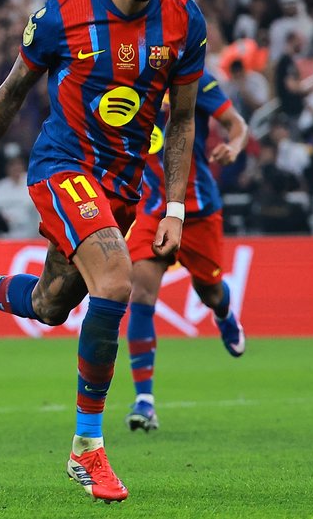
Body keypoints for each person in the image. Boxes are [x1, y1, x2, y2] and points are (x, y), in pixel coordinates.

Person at [0, 0, 206, 502]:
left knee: (51, 304)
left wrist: (175, 208)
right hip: (63, 168)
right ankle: (87, 448)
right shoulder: (62, 14)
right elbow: (10, 94)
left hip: (122, 187)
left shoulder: (184, 19)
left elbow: (182, 121)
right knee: (117, 280)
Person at [123, 70, 248, 432]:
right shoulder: (126, 78)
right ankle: (144, 401)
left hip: (198, 209)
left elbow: (237, 125)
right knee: (141, 292)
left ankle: (223, 313)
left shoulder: (194, 78)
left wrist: (234, 146)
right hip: (153, 208)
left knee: (209, 291)